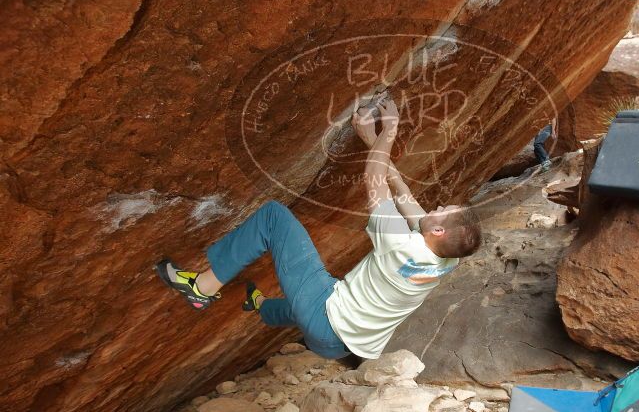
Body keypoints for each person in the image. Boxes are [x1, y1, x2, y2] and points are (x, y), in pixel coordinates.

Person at [155, 95, 482, 360]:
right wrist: (370, 141)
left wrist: (389, 132)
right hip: (339, 347)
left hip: (324, 316)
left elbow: (375, 182)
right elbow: (402, 192)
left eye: (443, 211)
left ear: (437, 232)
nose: (437, 208)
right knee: (306, 303)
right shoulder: (447, 259)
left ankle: (202, 287)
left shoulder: (402, 245)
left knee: (274, 217)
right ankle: (259, 307)